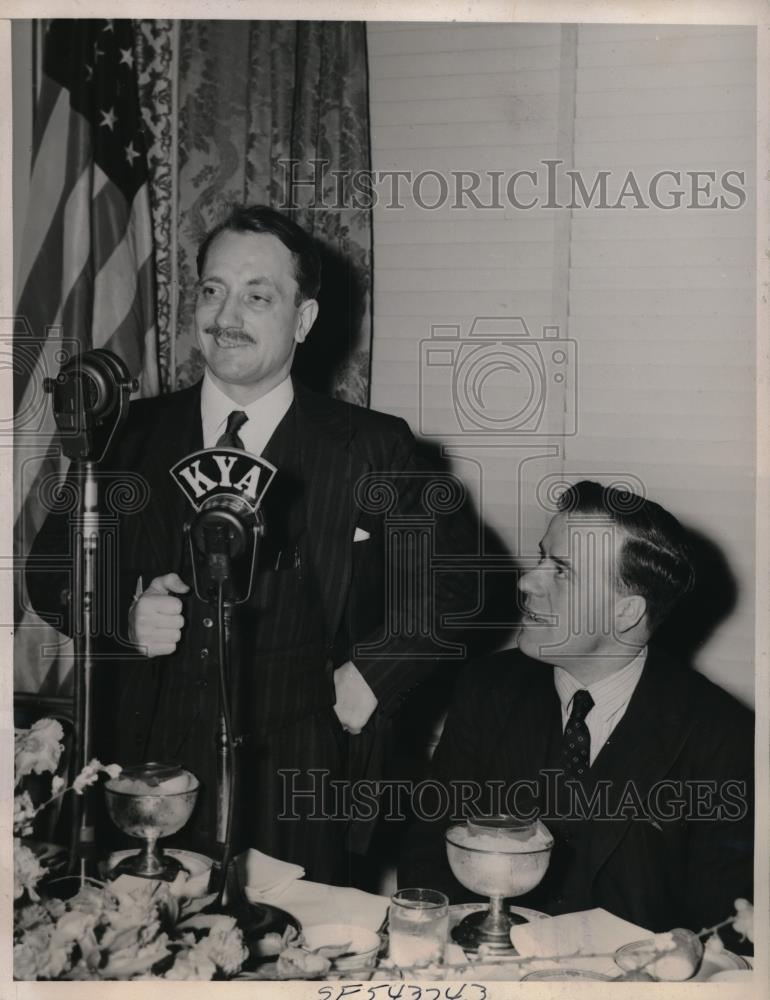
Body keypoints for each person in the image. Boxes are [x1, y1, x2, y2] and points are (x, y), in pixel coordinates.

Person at [27, 204, 478, 884]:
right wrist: (121, 612)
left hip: (304, 771)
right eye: (212, 290)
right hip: (145, 766)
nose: (225, 315)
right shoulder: (128, 435)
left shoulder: (375, 448)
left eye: (257, 296)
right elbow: (51, 572)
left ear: (303, 320)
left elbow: (455, 584)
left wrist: (373, 675)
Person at [398, 481, 753, 937]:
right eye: (542, 557)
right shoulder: (487, 687)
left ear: (625, 613)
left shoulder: (725, 736)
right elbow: (430, 854)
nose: (527, 581)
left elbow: (720, 930)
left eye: (562, 571)